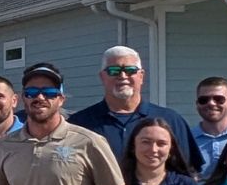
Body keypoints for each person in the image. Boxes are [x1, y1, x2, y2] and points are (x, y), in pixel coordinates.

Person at [68, 46, 202, 165]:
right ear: (102, 77)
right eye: (114, 71)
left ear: (141, 76)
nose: (122, 76)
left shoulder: (171, 120)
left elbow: (189, 170)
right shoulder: (79, 124)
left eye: (130, 70)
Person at [192, 77, 227, 176]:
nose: (211, 103)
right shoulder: (186, 139)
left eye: (219, 99)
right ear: (197, 104)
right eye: (204, 100)